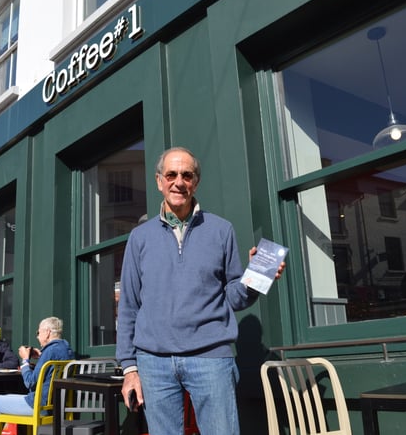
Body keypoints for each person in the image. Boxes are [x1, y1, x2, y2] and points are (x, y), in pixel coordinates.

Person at [116, 147, 285, 435]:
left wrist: (256, 280)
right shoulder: (139, 237)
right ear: (159, 181)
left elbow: (232, 296)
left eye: (187, 175)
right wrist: (129, 368)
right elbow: (129, 304)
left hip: (211, 357)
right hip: (154, 361)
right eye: (171, 174)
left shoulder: (221, 230)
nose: (178, 182)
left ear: (196, 181)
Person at [0, 317, 75, 435]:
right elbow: (49, 372)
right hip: (56, 405)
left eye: (38, 332)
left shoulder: (49, 352)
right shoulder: (67, 349)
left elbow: (30, 382)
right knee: (4, 397)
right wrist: (40, 357)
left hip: (38, 405)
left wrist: (25, 361)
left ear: (48, 332)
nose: (37, 336)